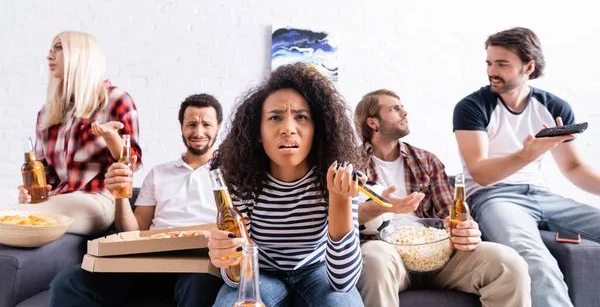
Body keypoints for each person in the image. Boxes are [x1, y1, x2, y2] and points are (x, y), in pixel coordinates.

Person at [453, 27, 600, 307]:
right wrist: (527, 154)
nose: (492, 71)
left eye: (502, 64)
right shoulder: (471, 107)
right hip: (493, 197)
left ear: (528, 67)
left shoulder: (554, 106)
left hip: (542, 195)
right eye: (489, 62)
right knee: (533, 258)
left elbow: (574, 168)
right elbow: (481, 173)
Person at [355, 89, 531, 307]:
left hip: (439, 255)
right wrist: (383, 207)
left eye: (402, 106)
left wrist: (466, 228)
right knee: (374, 258)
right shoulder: (351, 165)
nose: (405, 112)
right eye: (395, 108)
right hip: (387, 254)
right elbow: (339, 219)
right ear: (373, 123)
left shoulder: (426, 160)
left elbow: (451, 211)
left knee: (508, 262)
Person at [208, 63, 365, 307]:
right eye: (275, 118)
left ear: (317, 129)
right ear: (257, 132)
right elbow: (234, 279)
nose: (288, 129)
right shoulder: (240, 179)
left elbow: (343, 282)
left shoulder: (338, 177)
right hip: (261, 273)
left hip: (318, 271)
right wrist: (227, 257)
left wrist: (340, 199)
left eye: (301, 117)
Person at [49, 94, 225, 307]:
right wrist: (121, 196)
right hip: (149, 262)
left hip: (198, 265)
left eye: (206, 124)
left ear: (218, 127)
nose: (198, 132)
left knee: (202, 282)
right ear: (181, 127)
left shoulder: (232, 174)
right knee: (69, 281)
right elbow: (133, 229)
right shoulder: (159, 173)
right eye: (191, 124)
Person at [15, 31, 142, 235]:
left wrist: (111, 138)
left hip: (97, 199)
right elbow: (45, 174)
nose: (49, 56)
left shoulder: (117, 100)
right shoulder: (47, 112)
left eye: (59, 48)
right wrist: (31, 194)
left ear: (81, 55)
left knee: (13, 218)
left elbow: (130, 163)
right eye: (50, 49)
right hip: (57, 198)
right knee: (16, 219)